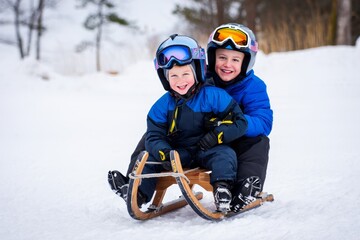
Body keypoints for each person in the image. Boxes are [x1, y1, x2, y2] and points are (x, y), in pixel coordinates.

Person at [109, 23, 273, 213]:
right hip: (193, 137)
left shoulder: (253, 86)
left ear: (246, 62)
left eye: (235, 60)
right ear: (211, 58)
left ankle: (245, 189)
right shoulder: (199, 77)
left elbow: (263, 120)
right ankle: (134, 183)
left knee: (259, 141)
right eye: (222, 58)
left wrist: (224, 127)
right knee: (151, 137)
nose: (228, 64)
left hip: (230, 136)